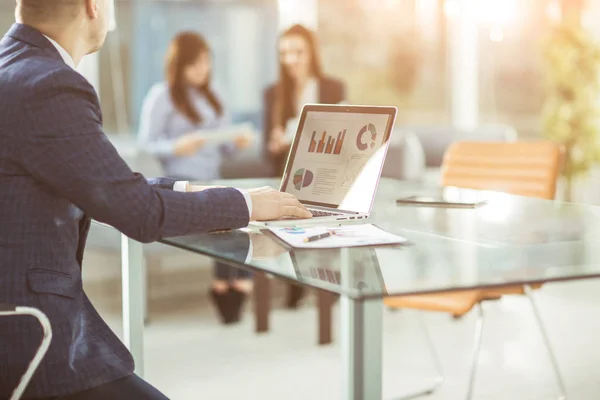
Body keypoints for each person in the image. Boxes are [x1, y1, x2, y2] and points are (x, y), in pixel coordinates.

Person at [0, 1, 311, 399]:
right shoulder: (48, 85)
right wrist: (245, 205)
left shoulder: (16, 68)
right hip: (30, 334)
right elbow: (138, 213)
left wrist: (190, 188)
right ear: (92, 7)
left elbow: (103, 181)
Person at [138, 32, 253, 325]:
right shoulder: (161, 96)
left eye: (206, 62)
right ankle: (230, 285)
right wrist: (177, 146)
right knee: (224, 211)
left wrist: (235, 142)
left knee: (241, 211)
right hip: (180, 181)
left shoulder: (215, 95)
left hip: (212, 178)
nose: (203, 69)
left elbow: (224, 147)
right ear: (179, 65)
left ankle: (232, 284)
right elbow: (147, 143)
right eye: (195, 64)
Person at [263, 24, 345, 309]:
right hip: (288, 173)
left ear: (311, 53)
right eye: (285, 53)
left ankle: (327, 281)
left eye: (298, 52)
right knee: (288, 208)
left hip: (328, 172)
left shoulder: (332, 88)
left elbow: (344, 139)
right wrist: (274, 143)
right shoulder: (273, 94)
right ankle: (296, 281)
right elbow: (267, 150)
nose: (291, 59)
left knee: (329, 213)